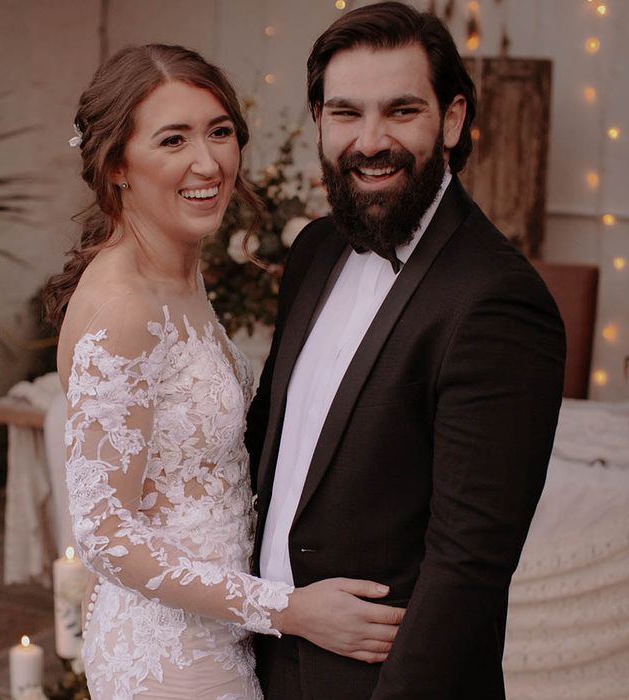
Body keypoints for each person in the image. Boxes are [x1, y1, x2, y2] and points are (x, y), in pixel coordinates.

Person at [44, 44, 404, 700]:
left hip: (219, 630)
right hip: (167, 655)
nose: (208, 162)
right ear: (118, 163)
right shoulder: (124, 304)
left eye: (220, 131)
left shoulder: (179, 268)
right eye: (173, 138)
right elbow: (103, 532)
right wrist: (289, 610)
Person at [246, 3, 566, 699]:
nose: (370, 141)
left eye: (400, 111)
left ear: (452, 120)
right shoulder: (314, 249)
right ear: (319, 122)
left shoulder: (498, 299)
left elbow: (468, 566)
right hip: (263, 663)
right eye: (345, 113)